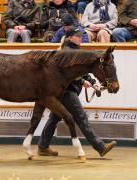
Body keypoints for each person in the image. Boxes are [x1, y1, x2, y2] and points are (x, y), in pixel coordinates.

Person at [38, 27, 116, 157]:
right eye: (77, 35)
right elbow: (66, 73)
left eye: (81, 35)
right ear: (69, 37)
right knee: (81, 118)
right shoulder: (66, 52)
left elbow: (82, 71)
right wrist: (81, 82)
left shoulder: (76, 51)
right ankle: (100, 147)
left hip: (65, 91)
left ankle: (43, 147)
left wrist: (90, 80)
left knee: (54, 118)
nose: (80, 37)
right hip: (67, 91)